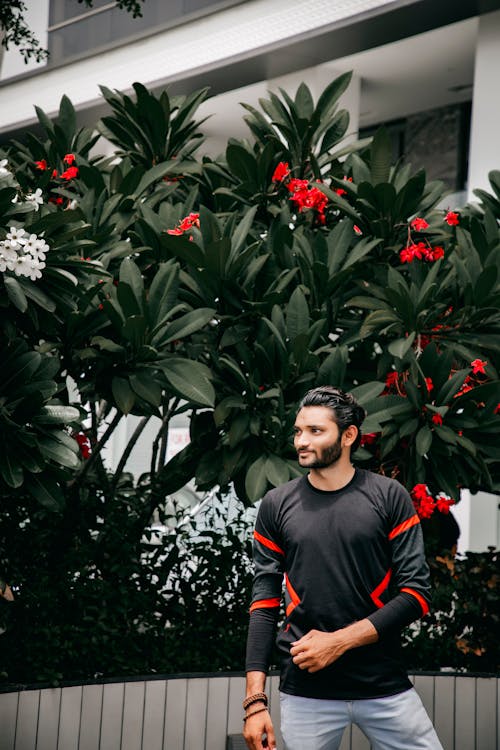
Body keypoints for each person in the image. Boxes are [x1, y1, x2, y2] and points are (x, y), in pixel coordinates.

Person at [243, 386, 443, 750]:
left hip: (384, 685)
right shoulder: (276, 504)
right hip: (306, 692)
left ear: (348, 436)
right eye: (298, 431)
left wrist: (337, 642)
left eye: (316, 431)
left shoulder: (388, 496)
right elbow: (265, 601)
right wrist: (254, 702)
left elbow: (416, 594)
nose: (302, 441)